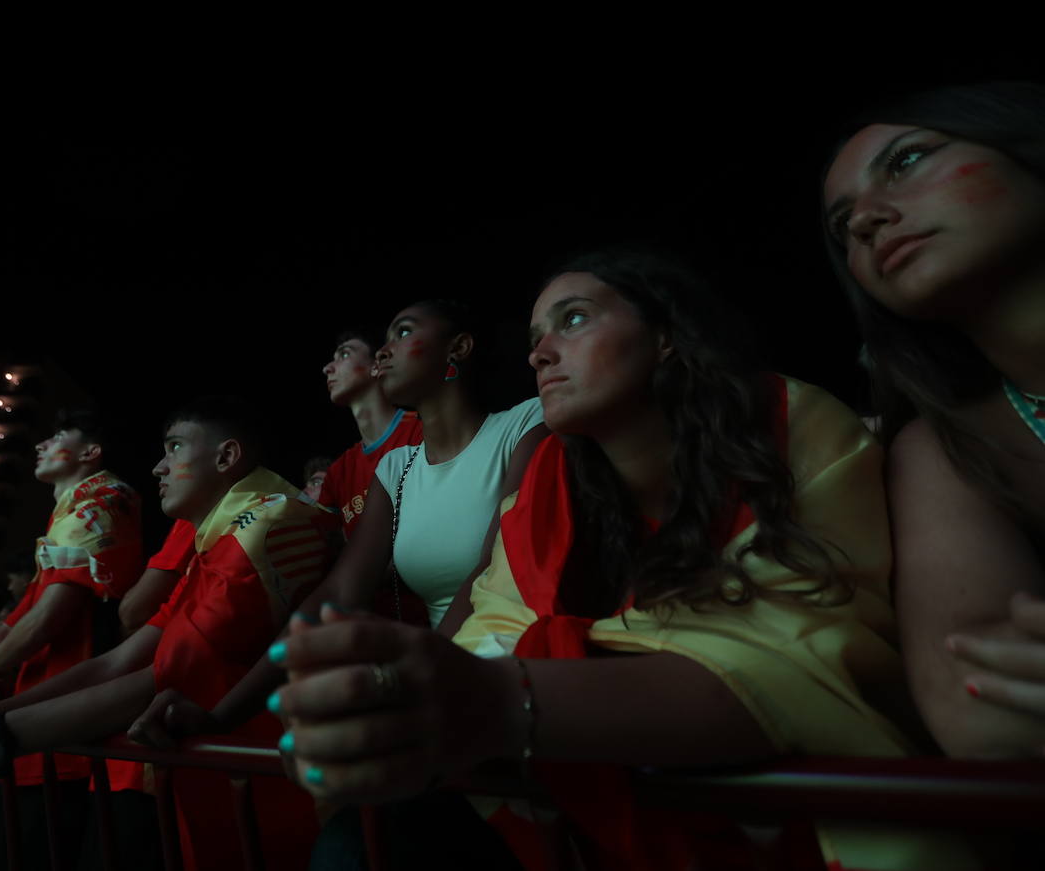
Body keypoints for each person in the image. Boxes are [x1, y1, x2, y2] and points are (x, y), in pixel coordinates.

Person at [269, 251, 969, 870]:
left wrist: (493, 696)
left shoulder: (789, 421)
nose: (540, 352)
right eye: (538, 336)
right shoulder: (547, 477)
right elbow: (499, 617)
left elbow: (809, 656)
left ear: (665, 335)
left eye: (573, 321)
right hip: (597, 789)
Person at [0, 397, 331, 871]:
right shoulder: (214, 537)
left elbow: (153, 671)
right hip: (193, 775)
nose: (157, 467)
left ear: (226, 458)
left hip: (271, 795)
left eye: (173, 448)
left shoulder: (265, 523)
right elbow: (119, 659)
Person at [130, 301, 545, 754]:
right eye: (381, 340)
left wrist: (411, 682)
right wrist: (224, 714)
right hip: (438, 696)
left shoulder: (524, 425)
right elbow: (334, 595)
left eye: (403, 333)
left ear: (459, 347)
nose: (383, 352)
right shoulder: (396, 469)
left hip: (519, 689)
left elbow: (493, 567)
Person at [821, 81, 1045, 761]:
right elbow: (985, 721)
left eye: (907, 161)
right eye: (842, 225)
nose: (863, 220)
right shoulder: (942, 451)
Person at [314, 325, 423, 540]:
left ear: (375, 365)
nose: (327, 368)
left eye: (344, 354)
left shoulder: (423, 431)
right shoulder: (338, 474)